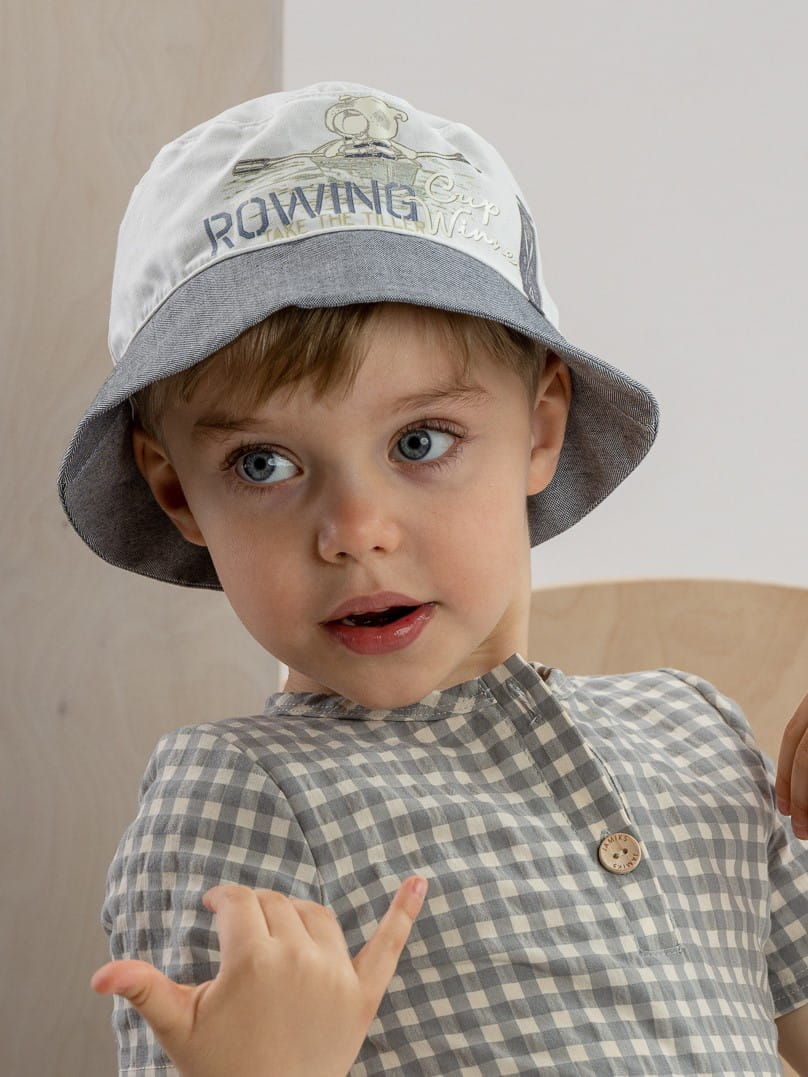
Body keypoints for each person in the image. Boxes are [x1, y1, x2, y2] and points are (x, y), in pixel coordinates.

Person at [58, 81, 808, 1075]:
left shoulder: (695, 735)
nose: (356, 533)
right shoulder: (243, 793)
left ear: (538, 428)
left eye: (419, 440)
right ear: (176, 491)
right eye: (263, 464)